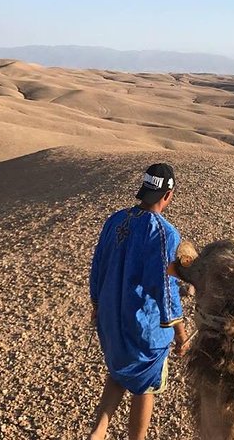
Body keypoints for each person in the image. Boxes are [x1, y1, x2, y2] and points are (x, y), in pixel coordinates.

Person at [88, 163, 189, 440]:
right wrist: (179, 332)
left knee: (120, 369)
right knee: (146, 384)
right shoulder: (164, 233)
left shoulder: (115, 220)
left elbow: (97, 265)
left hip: (110, 318)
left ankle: (97, 432)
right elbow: (164, 287)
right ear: (168, 195)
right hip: (143, 325)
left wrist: (97, 304)